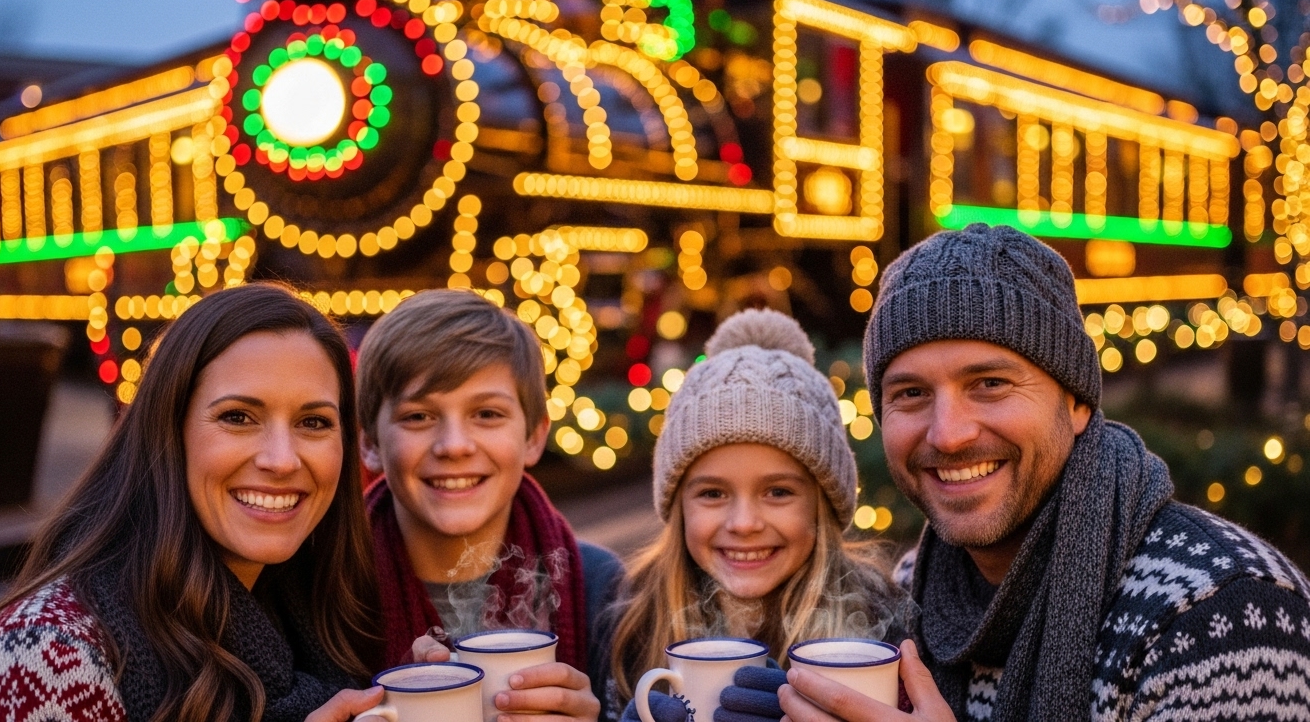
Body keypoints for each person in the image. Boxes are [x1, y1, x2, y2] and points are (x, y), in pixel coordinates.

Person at [778, 223, 1310, 722]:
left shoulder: (1225, 613)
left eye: (990, 383)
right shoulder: (907, 598)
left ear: (1077, 401)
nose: (947, 434)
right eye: (911, 393)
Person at [0, 283, 385, 722]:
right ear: (169, 431)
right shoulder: (46, 657)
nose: (282, 459)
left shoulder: (316, 618)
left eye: (313, 421)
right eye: (238, 417)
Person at [611, 309, 910, 721]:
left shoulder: (885, 622)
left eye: (777, 492)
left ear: (822, 504)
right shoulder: (633, 620)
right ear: (678, 505)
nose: (744, 523)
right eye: (713, 493)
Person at [356, 288, 623, 722]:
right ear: (369, 443)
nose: (454, 446)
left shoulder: (598, 587)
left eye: (487, 414)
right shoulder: (322, 591)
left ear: (534, 436)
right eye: (418, 416)